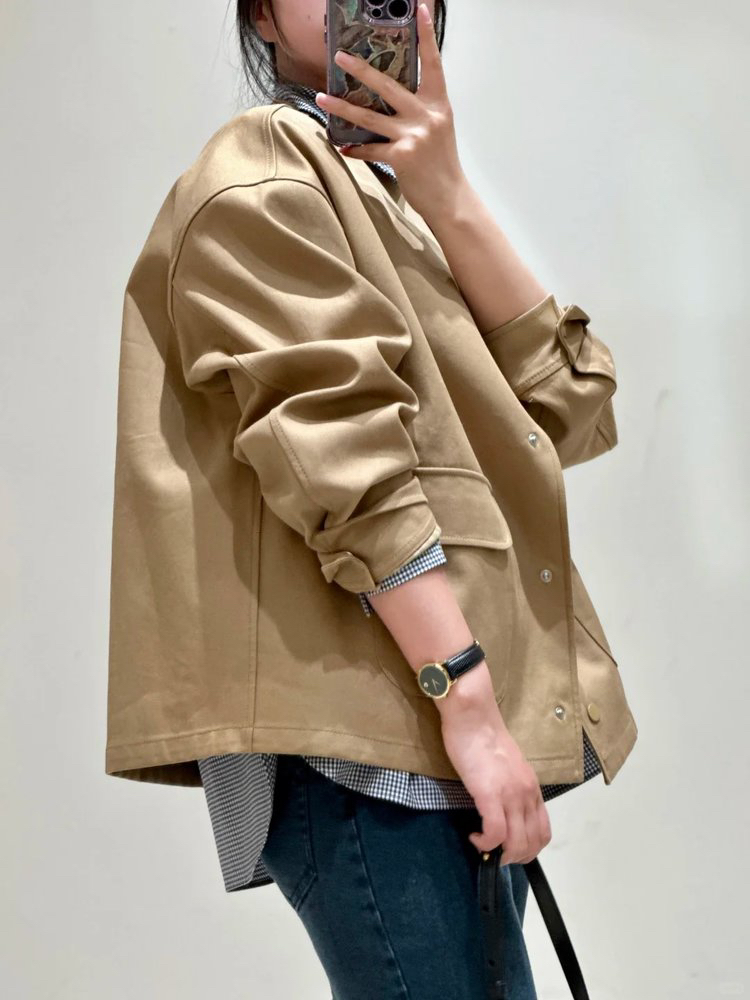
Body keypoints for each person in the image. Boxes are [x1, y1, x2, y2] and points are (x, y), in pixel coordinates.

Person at [105, 2, 638, 997]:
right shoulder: (266, 169)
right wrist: (469, 704)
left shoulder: (391, 202)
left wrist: (449, 193)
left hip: (421, 736)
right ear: (261, 18)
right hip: (376, 746)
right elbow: (346, 466)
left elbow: (572, 408)